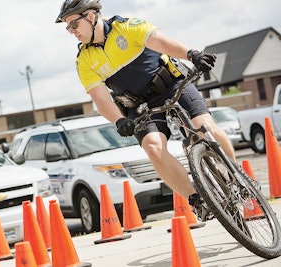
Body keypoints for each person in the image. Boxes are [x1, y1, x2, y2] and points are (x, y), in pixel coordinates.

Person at [55, 0, 236, 221]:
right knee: (152, 147)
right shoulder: (84, 59)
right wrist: (118, 121)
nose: (71, 32)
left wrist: (191, 54)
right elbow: (101, 98)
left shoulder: (126, 26)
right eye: (67, 27)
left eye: (73, 24)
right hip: (139, 105)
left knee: (204, 127)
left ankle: (236, 177)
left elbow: (161, 42)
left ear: (91, 17)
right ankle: (196, 199)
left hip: (172, 84)